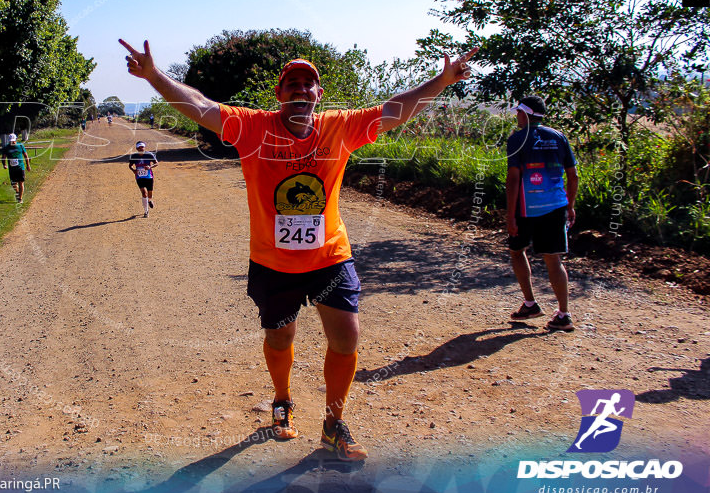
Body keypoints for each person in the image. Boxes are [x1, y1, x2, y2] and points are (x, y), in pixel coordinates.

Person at [120, 38, 477, 461]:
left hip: (330, 255)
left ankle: (333, 423)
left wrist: (442, 80)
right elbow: (201, 105)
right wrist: (154, 76)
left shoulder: (339, 127)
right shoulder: (251, 126)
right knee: (280, 335)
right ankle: (283, 398)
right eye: (292, 84)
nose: (300, 90)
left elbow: (394, 109)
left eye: (308, 84)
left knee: (346, 337)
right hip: (273, 262)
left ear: (318, 95)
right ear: (279, 94)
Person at [505, 95, 578, 332]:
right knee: (553, 259)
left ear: (525, 114)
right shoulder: (559, 137)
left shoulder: (517, 139)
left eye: (518, 112)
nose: (516, 116)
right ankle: (564, 315)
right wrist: (570, 205)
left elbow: (514, 178)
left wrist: (510, 215)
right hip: (556, 206)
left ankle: (530, 303)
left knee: (517, 251)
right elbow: (573, 175)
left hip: (526, 208)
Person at [128, 141, 158, 218]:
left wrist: (150, 167)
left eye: (142, 147)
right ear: (137, 148)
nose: (141, 148)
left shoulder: (149, 155)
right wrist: (133, 170)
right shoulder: (134, 156)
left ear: (144, 147)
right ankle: (146, 211)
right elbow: (130, 165)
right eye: (139, 147)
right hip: (139, 177)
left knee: (149, 193)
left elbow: (156, 163)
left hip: (149, 176)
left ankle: (150, 200)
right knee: (144, 193)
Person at [1, 132, 31, 203]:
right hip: (12, 169)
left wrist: (28, 165)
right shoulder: (6, 147)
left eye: (14, 140)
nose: (13, 142)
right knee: (14, 184)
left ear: (16, 139)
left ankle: (20, 198)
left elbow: (26, 156)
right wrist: (4, 165)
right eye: (11, 141)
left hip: (20, 167)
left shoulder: (20, 145)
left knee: (21, 182)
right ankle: (18, 192)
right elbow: (3, 157)